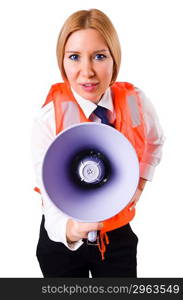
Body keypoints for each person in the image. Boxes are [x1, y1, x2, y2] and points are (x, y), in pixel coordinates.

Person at [31, 8, 165, 278]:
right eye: (74, 57)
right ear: (62, 62)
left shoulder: (134, 102)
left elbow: (155, 141)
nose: (87, 71)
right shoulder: (48, 120)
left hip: (117, 237)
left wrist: (139, 184)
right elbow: (50, 201)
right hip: (62, 244)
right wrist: (71, 230)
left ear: (115, 60)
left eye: (100, 56)